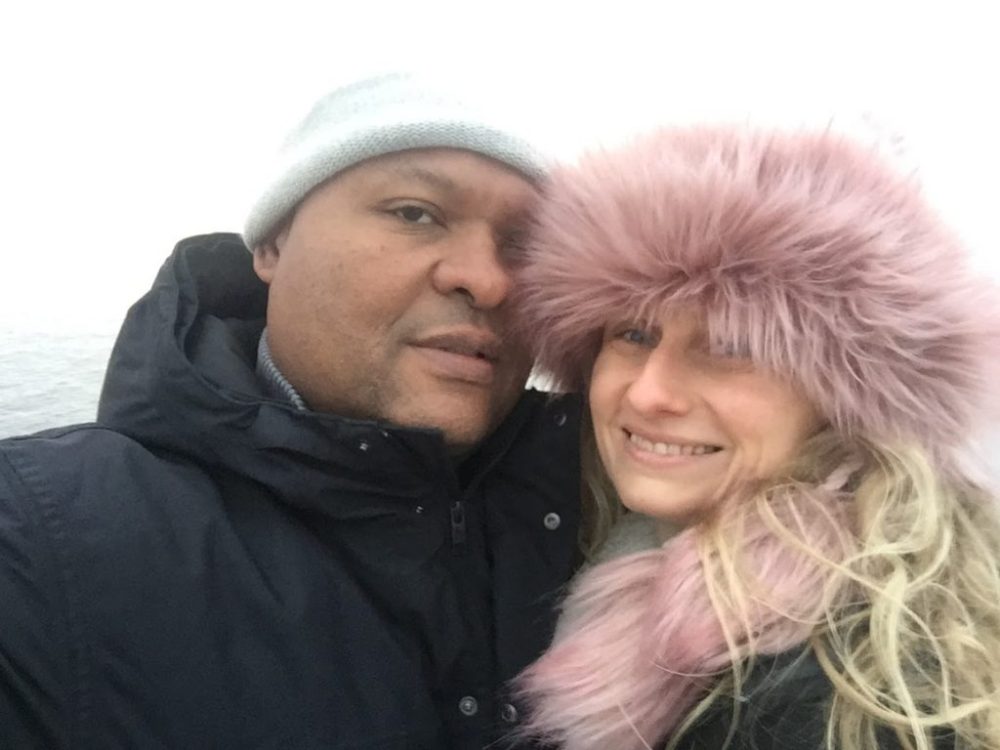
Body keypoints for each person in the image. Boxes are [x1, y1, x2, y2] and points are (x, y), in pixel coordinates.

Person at [0, 73, 581, 749]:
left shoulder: (616, 510)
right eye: (414, 214)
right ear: (272, 244)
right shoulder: (36, 545)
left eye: (521, 244)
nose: (488, 279)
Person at [510, 127, 1000, 749]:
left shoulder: (838, 697)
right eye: (632, 334)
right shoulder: (598, 545)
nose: (649, 393)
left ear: (841, 403)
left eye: (730, 346)